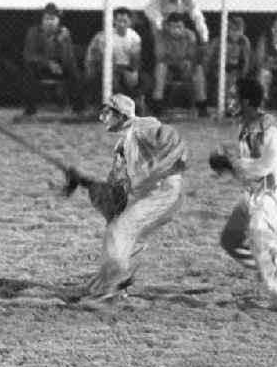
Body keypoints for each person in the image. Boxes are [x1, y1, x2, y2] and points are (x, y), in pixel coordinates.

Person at [62, 94, 188, 307]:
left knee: (120, 231)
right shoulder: (124, 144)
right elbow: (116, 186)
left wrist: (169, 165)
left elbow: (173, 144)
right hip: (151, 194)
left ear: (122, 116)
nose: (102, 117)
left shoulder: (143, 127)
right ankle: (109, 285)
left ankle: (107, 292)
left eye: (107, 112)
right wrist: (84, 181)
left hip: (163, 192)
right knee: (120, 229)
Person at [213, 77, 277, 311]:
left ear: (248, 101)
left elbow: (266, 166)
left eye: (235, 97)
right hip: (255, 193)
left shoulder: (271, 130)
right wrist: (228, 167)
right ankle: (271, 261)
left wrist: (232, 164)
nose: (231, 101)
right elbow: (250, 170)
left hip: (271, 196)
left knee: (259, 233)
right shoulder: (245, 127)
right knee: (231, 240)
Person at [22, 2, 84, 116]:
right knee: (29, 72)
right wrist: (48, 63)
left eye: (52, 19)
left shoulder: (64, 33)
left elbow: (69, 57)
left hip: (60, 67)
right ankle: (30, 110)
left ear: (58, 20)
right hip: (41, 67)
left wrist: (61, 42)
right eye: (46, 18)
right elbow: (29, 54)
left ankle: (78, 109)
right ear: (42, 20)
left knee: (74, 72)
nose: (49, 22)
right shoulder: (34, 32)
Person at [85, 6, 142, 108]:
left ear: (130, 22)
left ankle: (133, 106)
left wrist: (133, 72)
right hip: (108, 67)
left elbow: (135, 60)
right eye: (119, 21)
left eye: (125, 21)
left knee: (139, 81)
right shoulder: (104, 36)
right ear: (114, 21)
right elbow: (101, 58)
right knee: (113, 80)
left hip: (126, 67)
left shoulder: (134, 37)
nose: (121, 24)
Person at [151, 12, 207, 117]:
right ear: (167, 26)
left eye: (179, 27)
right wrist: (177, 61)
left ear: (184, 27)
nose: (176, 30)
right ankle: (157, 106)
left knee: (198, 69)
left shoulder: (190, 35)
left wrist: (186, 63)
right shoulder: (160, 35)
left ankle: (202, 106)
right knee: (160, 68)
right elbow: (160, 57)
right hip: (169, 69)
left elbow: (192, 56)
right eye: (173, 26)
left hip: (185, 68)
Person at [145, 0, 209, 45]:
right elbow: (154, 13)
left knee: (192, 36)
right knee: (154, 26)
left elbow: (198, 17)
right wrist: (162, 30)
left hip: (180, 24)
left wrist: (204, 37)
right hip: (163, 24)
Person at [206, 15, 251, 115]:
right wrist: (210, 72)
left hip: (236, 70)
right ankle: (228, 107)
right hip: (218, 69)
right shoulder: (218, 41)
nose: (236, 33)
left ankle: (233, 107)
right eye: (233, 30)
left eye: (239, 30)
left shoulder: (244, 42)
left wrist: (243, 76)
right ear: (227, 30)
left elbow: (246, 62)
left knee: (235, 80)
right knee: (227, 79)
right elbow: (208, 58)